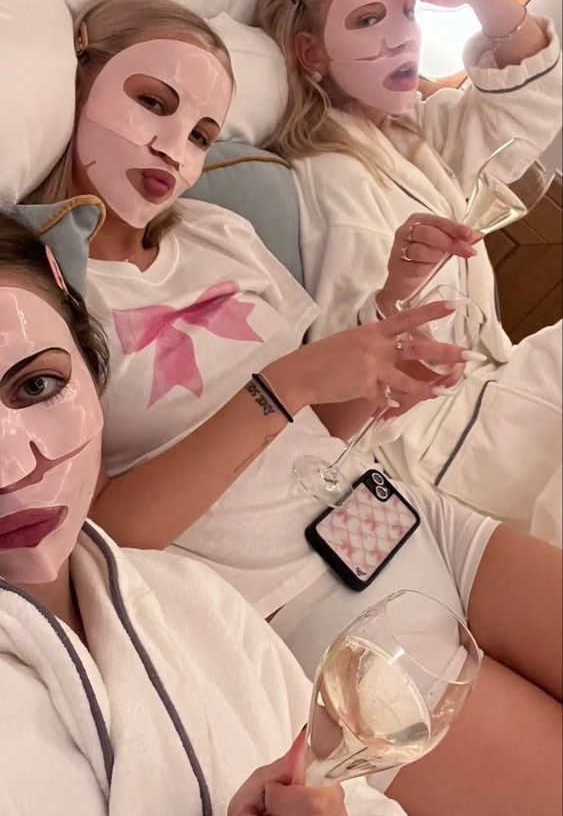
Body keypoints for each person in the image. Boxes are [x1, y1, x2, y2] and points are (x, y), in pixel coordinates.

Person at [23, 0, 562, 815]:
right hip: (306, 604)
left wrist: (382, 349)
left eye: (203, 134)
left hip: (406, 518)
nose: (176, 146)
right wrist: (290, 383)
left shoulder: (220, 232)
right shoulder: (44, 295)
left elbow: (322, 419)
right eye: (153, 104)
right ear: (79, 81)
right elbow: (96, 537)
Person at [0, 205, 395, 816]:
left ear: (88, 370)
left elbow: (354, 798)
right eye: (151, 104)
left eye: (36, 386)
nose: (16, 467)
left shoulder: (196, 600)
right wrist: (285, 386)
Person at [257, 0, 563, 541]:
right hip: (443, 440)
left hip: (490, 388)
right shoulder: (334, 180)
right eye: (369, 19)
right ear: (310, 53)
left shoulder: (411, 130)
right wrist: (398, 287)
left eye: (407, 12)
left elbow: (522, 118)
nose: (402, 37)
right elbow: (350, 373)